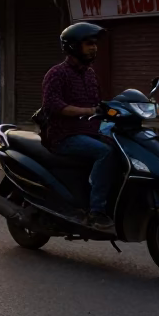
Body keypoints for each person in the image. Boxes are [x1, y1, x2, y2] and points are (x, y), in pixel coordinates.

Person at [42, 22, 115, 233]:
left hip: (90, 132)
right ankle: (96, 212)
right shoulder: (57, 74)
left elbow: (98, 103)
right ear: (73, 46)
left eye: (95, 44)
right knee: (105, 153)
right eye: (88, 43)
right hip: (64, 136)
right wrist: (87, 111)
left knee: (121, 148)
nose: (94, 48)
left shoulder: (90, 74)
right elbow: (53, 105)